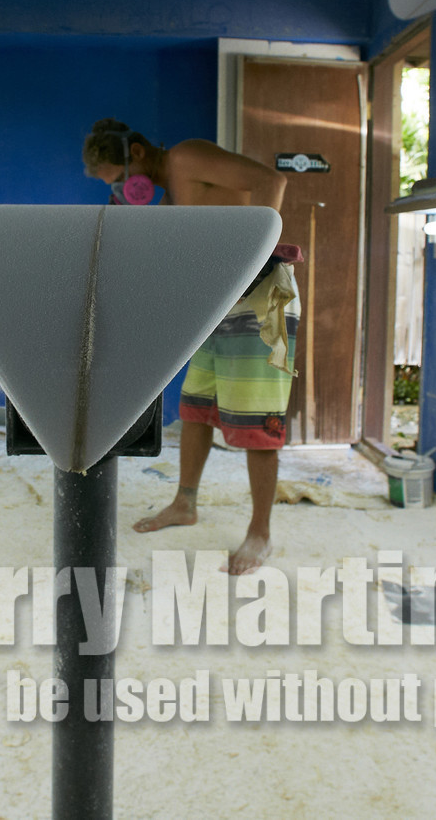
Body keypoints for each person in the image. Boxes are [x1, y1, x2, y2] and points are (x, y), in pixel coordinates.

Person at [81, 118, 299, 574]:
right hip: (219, 300)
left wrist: (255, 252)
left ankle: (260, 533)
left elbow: (270, 180)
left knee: (258, 420)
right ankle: (185, 503)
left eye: (120, 179)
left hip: (260, 294)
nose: (123, 188)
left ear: (136, 153)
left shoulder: (184, 155)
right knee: (197, 408)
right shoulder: (173, 197)